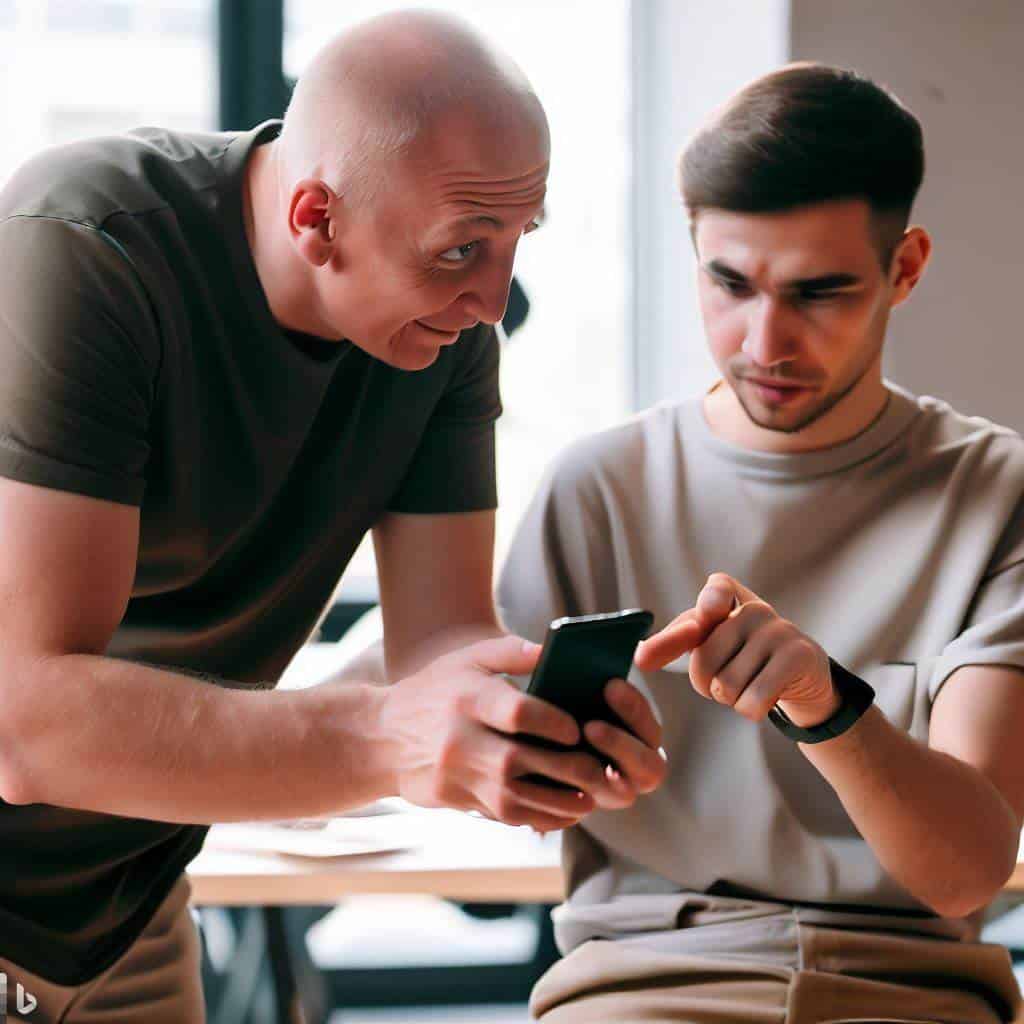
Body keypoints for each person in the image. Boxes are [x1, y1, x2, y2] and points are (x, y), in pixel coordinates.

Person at [0, 10, 666, 1021]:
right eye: (459, 251)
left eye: (512, 241)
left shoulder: (440, 337)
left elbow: (433, 648)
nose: (494, 298)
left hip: (124, 897)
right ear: (316, 218)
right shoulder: (88, 246)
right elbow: (27, 726)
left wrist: (524, 725)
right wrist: (384, 741)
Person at [498, 63, 1024, 1023]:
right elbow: (495, 786)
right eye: (728, 283)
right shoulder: (596, 487)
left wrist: (827, 708)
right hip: (641, 987)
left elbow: (966, 876)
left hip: (909, 996)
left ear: (905, 269)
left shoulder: (995, 492)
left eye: (819, 292)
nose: (764, 341)